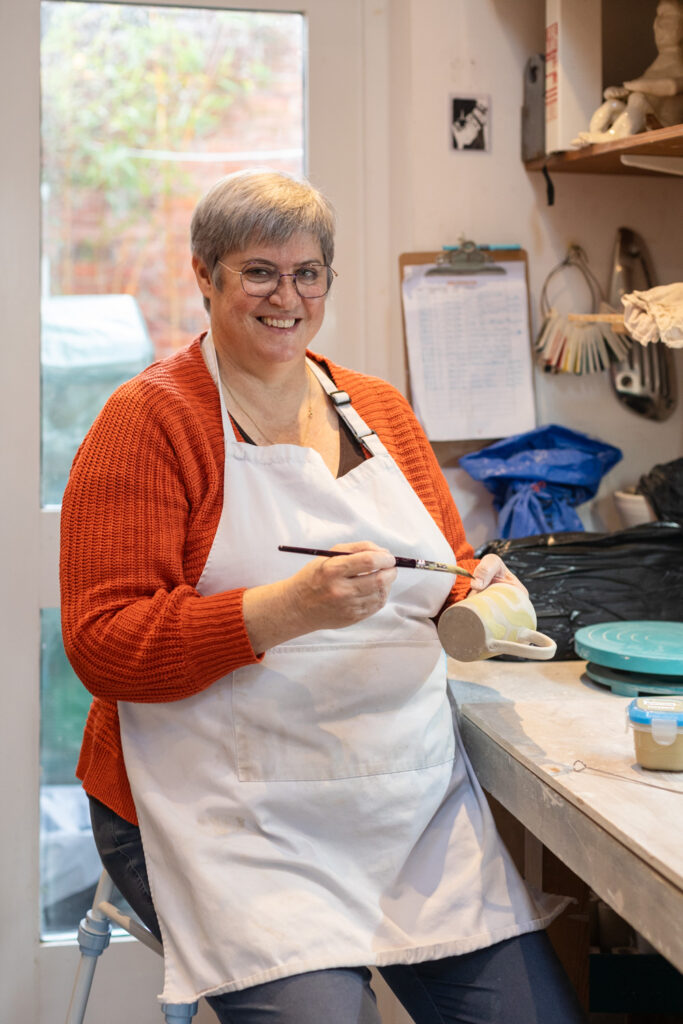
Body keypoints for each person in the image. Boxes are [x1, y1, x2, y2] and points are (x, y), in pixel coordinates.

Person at [60, 169, 587, 1024]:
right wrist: (284, 609)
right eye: (259, 271)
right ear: (205, 274)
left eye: (308, 273)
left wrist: (480, 588)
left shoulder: (377, 410)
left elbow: (441, 571)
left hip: (400, 802)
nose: (287, 296)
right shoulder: (149, 421)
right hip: (227, 816)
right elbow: (103, 643)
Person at [574, 0, 683, 145]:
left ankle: (615, 135)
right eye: (657, 19)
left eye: (666, 18)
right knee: (612, 105)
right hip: (647, 121)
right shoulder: (659, 63)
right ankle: (593, 136)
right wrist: (620, 93)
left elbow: (671, 86)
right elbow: (643, 88)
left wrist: (630, 87)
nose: (657, 25)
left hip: (666, 122)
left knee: (638, 99)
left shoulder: (678, 62)